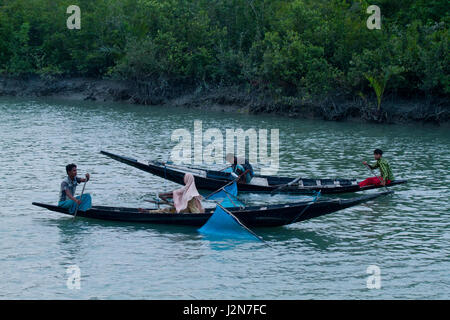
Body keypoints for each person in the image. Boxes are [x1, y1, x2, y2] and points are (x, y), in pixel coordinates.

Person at [139, 173, 205, 214]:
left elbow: (175, 193)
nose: (184, 179)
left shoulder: (187, 189)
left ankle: (148, 212)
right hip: (189, 210)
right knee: (169, 209)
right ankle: (149, 212)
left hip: (192, 212)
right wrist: (166, 196)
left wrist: (163, 195)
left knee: (167, 210)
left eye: (185, 178)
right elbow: (178, 194)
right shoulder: (192, 188)